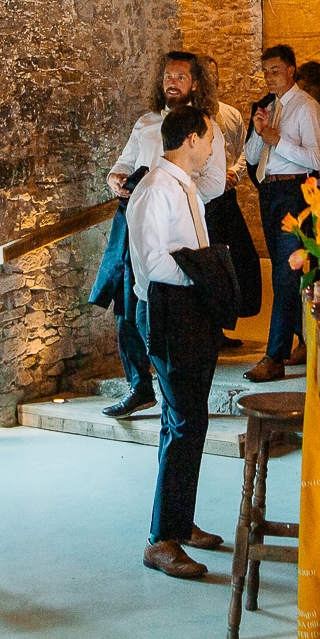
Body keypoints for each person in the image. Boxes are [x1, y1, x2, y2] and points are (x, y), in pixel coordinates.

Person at [126, 105, 232, 579]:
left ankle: (181, 522)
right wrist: (205, 274)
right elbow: (154, 264)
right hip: (171, 312)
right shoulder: (153, 191)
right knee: (184, 423)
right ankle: (160, 540)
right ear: (190, 139)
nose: (212, 148)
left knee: (190, 422)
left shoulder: (184, 186)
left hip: (192, 310)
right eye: (209, 139)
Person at [92, 52, 227, 418]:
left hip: (176, 218)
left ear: (195, 83)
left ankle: (174, 385)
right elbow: (123, 164)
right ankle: (139, 384)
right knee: (128, 302)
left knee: (167, 299)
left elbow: (215, 183)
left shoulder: (205, 128)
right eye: (168, 76)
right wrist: (116, 179)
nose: (172, 82)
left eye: (181, 77)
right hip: (134, 216)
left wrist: (168, 185)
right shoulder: (146, 123)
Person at [242, 44, 320, 383]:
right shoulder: (268, 108)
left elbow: (316, 160)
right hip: (269, 191)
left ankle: (274, 356)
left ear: (291, 71)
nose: (269, 78)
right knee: (284, 271)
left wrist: (277, 140)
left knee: (285, 274)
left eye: (275, 71)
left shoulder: (306, 108)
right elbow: (250, 156)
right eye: (265, 72)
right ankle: (304, 341)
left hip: (295, 193)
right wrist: (260, 131)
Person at [200, 58, 262, 346]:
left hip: (226, 196)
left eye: (215, 75)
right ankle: (206, 329)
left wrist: (233, 175)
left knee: (236, 263)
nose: (212, 81)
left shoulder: (231, 114)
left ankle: (223, 325)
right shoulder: (189, 118)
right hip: (200, 202)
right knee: (207, 264)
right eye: (206, 76)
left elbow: (240, 150)